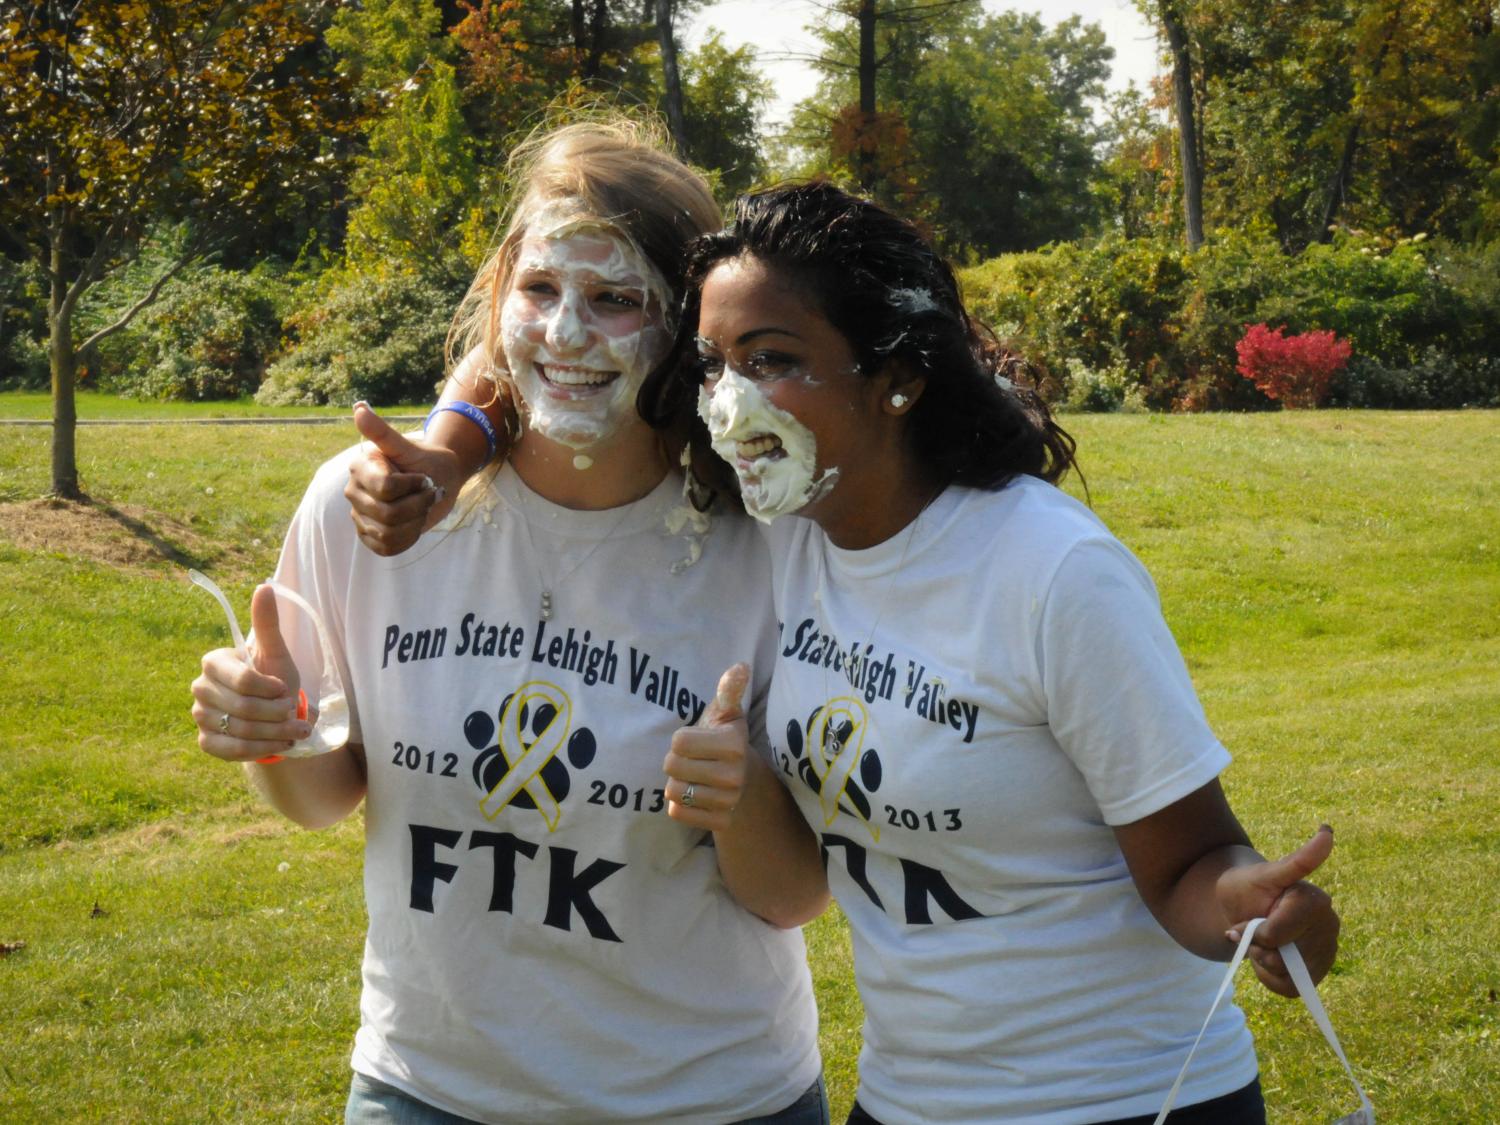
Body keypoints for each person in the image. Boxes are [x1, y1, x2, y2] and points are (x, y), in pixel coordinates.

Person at [356, 180, 1343, 1125]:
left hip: (1121, 1099)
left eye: (773, 359)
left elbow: (1190, 866)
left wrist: (1253, 911)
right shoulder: (788, 529)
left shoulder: (1050, 571)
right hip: (908, 1101)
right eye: (712, 365)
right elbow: (553, 344)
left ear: (901, 376)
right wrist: (449, 448)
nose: (730, 403)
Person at [189, 120, 829, 1125]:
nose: (567, 334)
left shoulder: (773, 549)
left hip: (707, 1099)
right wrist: (267, 732)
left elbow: (792, 897)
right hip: (426, 1089)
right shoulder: (372, 513)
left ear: (686, 334)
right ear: (499, 298)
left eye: (616, 299)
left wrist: (742, 797)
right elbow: (325, 799)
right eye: (540, 291)